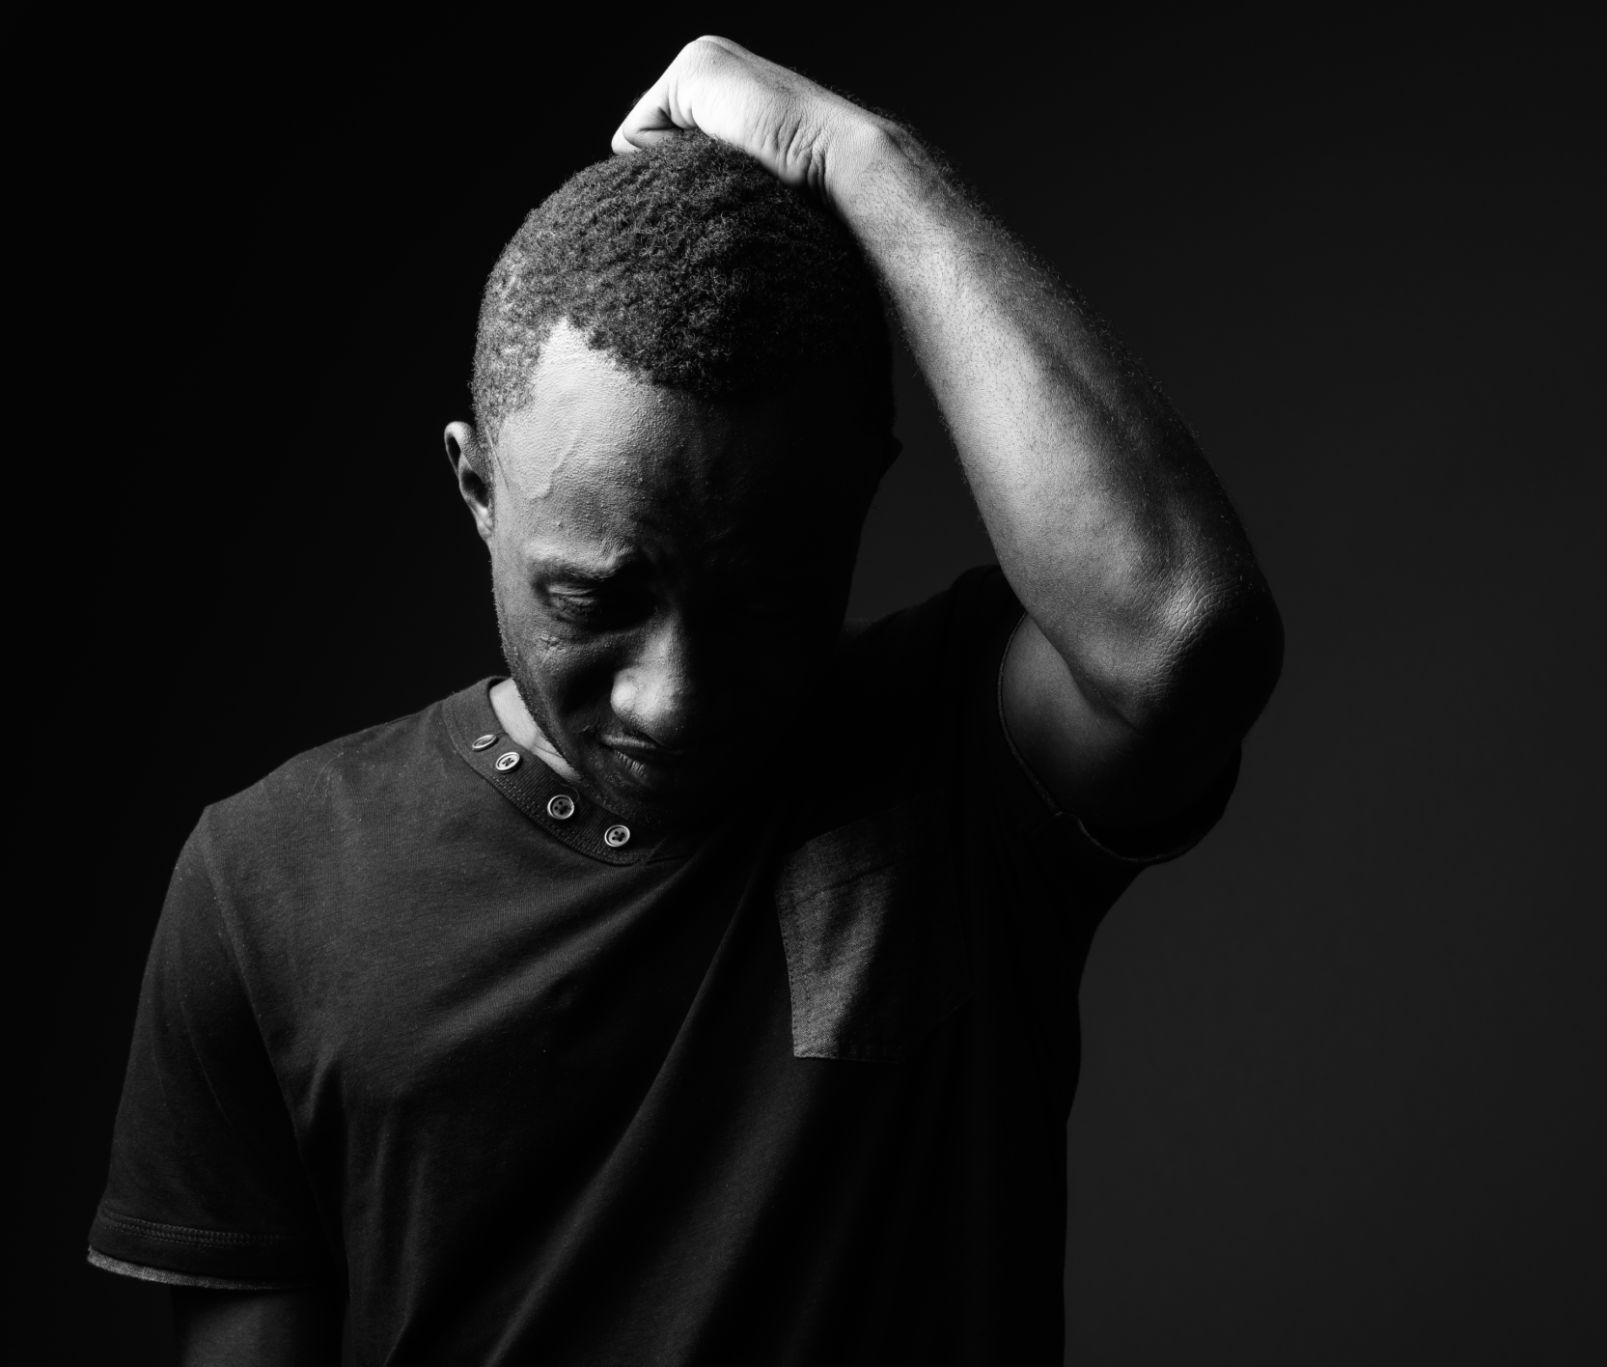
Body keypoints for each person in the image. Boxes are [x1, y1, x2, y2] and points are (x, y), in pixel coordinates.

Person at [88, 36, 1282, 1366]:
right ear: (478, 487)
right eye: (595, 600)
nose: (675, 699)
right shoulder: (264, 885)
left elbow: (1179, 633)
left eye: (767, 599)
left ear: (860, 492)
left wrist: (859, 158)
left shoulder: (968, 772)